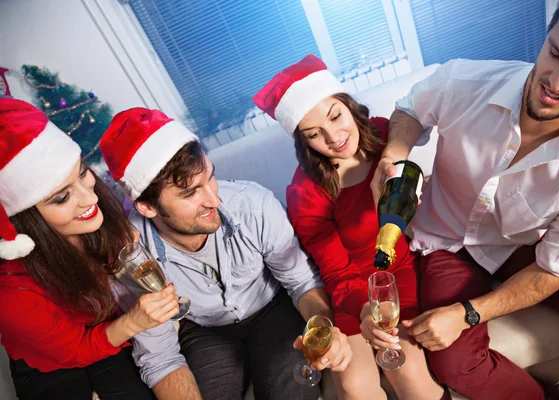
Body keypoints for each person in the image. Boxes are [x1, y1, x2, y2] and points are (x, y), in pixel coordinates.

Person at [371, 1, 559, 399]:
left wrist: (468, 313)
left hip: (525, 244)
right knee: (453, 362)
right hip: (445, 243)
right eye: (556, 54)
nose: (558, 83)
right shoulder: (465, 80)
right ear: (544, 39)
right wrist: (395, 152)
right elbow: (410, 109)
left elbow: (554, 269)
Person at [100, 107, 353, 400]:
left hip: (273, 309)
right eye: (190, 193)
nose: (213, 199)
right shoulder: (131, 258)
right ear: (147, 207)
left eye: (210, 177)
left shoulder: (253, 204)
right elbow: (160, 358)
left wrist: (326, 327)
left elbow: (302, 283)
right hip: (204, 330)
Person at [253, 54, 446, 400]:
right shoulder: (305, 192)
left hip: (399, 274)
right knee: (356, 390)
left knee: (408, 371)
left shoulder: (388, 134)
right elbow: (336, 272)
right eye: (315, 134)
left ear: (348, 105)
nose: (335, 138)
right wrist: (364, 313)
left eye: (336, 116)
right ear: (304, 142)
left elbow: (429, 113)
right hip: (351, 289)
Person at [0, 99, 178, 400]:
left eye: (82, 173)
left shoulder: (100, 222)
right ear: (24, 216)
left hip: (106, 333)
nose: (89, 199)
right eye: (61, 198)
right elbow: (74, 351)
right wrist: (134, 321)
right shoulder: (12, 290)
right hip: (51, 364)